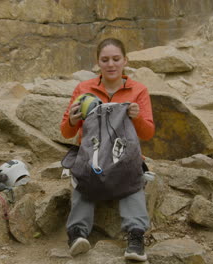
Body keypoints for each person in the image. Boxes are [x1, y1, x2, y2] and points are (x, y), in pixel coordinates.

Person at [60, 38, 154, 261]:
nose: (111, 64)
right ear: (98, 63)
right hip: (91, 155)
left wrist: (137, 117)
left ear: (125, 61)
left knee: (132, 178)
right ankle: (77, 234)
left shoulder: (138, 90)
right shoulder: (84, 89)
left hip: (125, 156)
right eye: (105, 60)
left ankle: (135, 238)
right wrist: (73, 120)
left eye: (116, 59)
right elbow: (65, 132)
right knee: (83, 175)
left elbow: (148, 133)